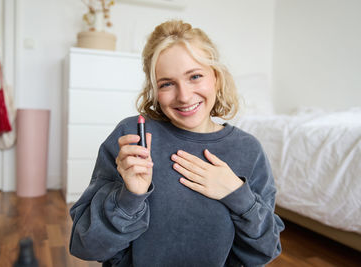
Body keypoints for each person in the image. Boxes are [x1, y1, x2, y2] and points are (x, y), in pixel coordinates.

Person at [69, 20, 284, 267]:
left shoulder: (249, 150)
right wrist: (130, 197)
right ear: (154, 89)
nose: (183, 96)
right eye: (167, 84)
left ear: (216, 76)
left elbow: (266, 249)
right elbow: (85, 245)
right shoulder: (132, 138)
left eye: (195, 76)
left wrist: (238, 195)